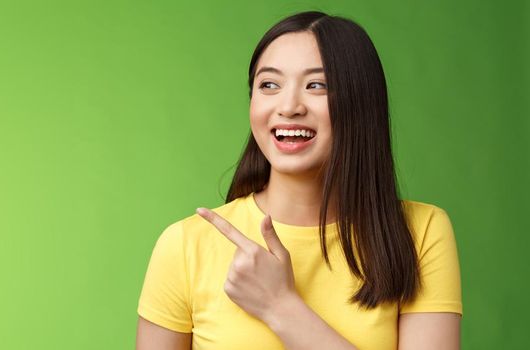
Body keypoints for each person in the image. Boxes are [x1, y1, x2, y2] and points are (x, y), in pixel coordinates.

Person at [135, 11, 462, 350]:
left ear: (360, 102)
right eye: (269, 85)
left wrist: (281, 307)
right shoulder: (185, 246)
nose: (289, 106)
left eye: (316, 85)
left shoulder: (419, 233)